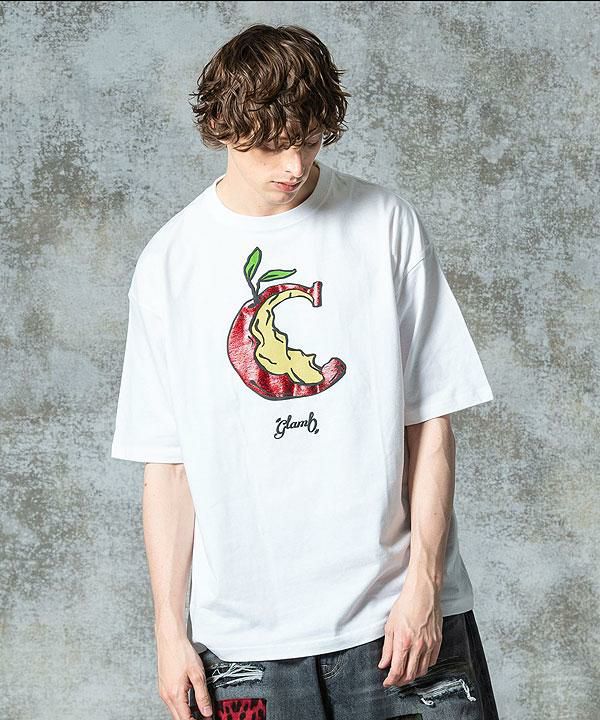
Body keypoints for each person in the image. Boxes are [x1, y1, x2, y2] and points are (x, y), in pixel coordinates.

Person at [111, 22, 500, 720]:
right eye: (268, 145)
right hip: (244, 648)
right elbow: (167, 470)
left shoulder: (385, 224)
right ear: (223, 129)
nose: (292, 164)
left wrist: (424, 587)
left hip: (398, 621)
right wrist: (170, 632)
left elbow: (431, 426)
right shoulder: (171, 263)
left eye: (311, 140)